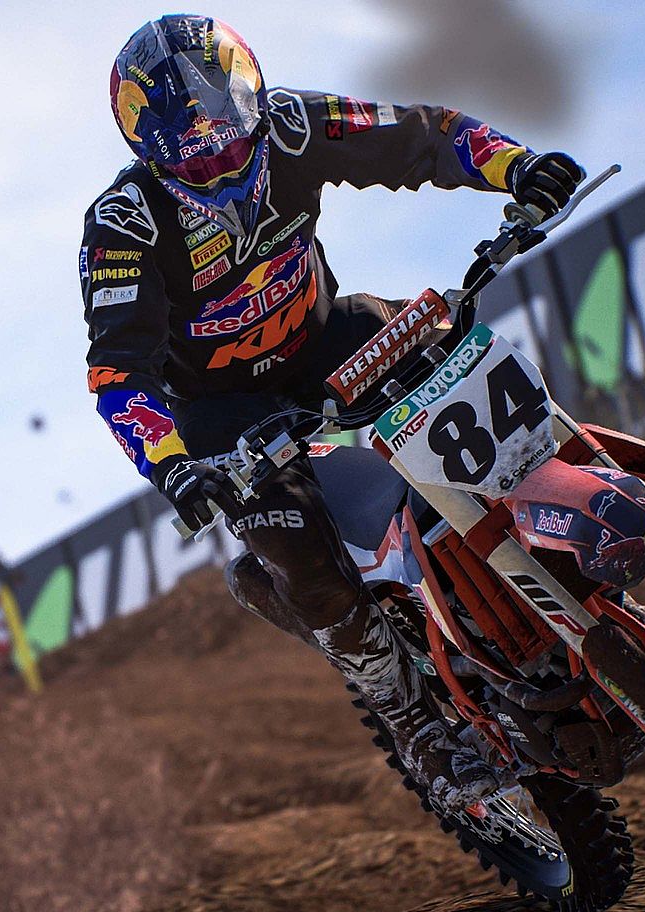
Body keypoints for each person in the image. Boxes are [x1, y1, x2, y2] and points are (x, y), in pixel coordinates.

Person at [82, 16, 582, 811]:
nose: (220, 164)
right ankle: (415, 723)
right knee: (295, 542)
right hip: (221, 412)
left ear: (252, 100)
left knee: (456, 343)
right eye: (194, 155)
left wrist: (517, 166)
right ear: (148, 151)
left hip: (326, 340)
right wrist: (173, 468)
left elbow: (425, 135)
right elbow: (118, 373)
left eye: (227, 138)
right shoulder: (125, 225)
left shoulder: (294, 124)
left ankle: (574, 500)